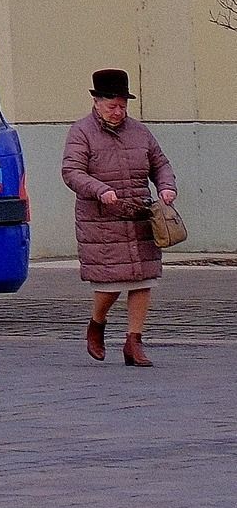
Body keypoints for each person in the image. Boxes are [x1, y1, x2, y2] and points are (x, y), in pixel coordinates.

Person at [63, 69, 180, 367]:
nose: (118, 112)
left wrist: (166, 188)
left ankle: (133, 341)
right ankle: (97, 323)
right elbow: (72, 172)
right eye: (112, 106)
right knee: (110, 284)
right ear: (97, 102)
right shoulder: (81, 132)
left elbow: (160, 164)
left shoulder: (140, 132)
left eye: (123, 106)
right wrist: (99, 190)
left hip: (140, 217)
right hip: (102, 221)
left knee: (144, 280)